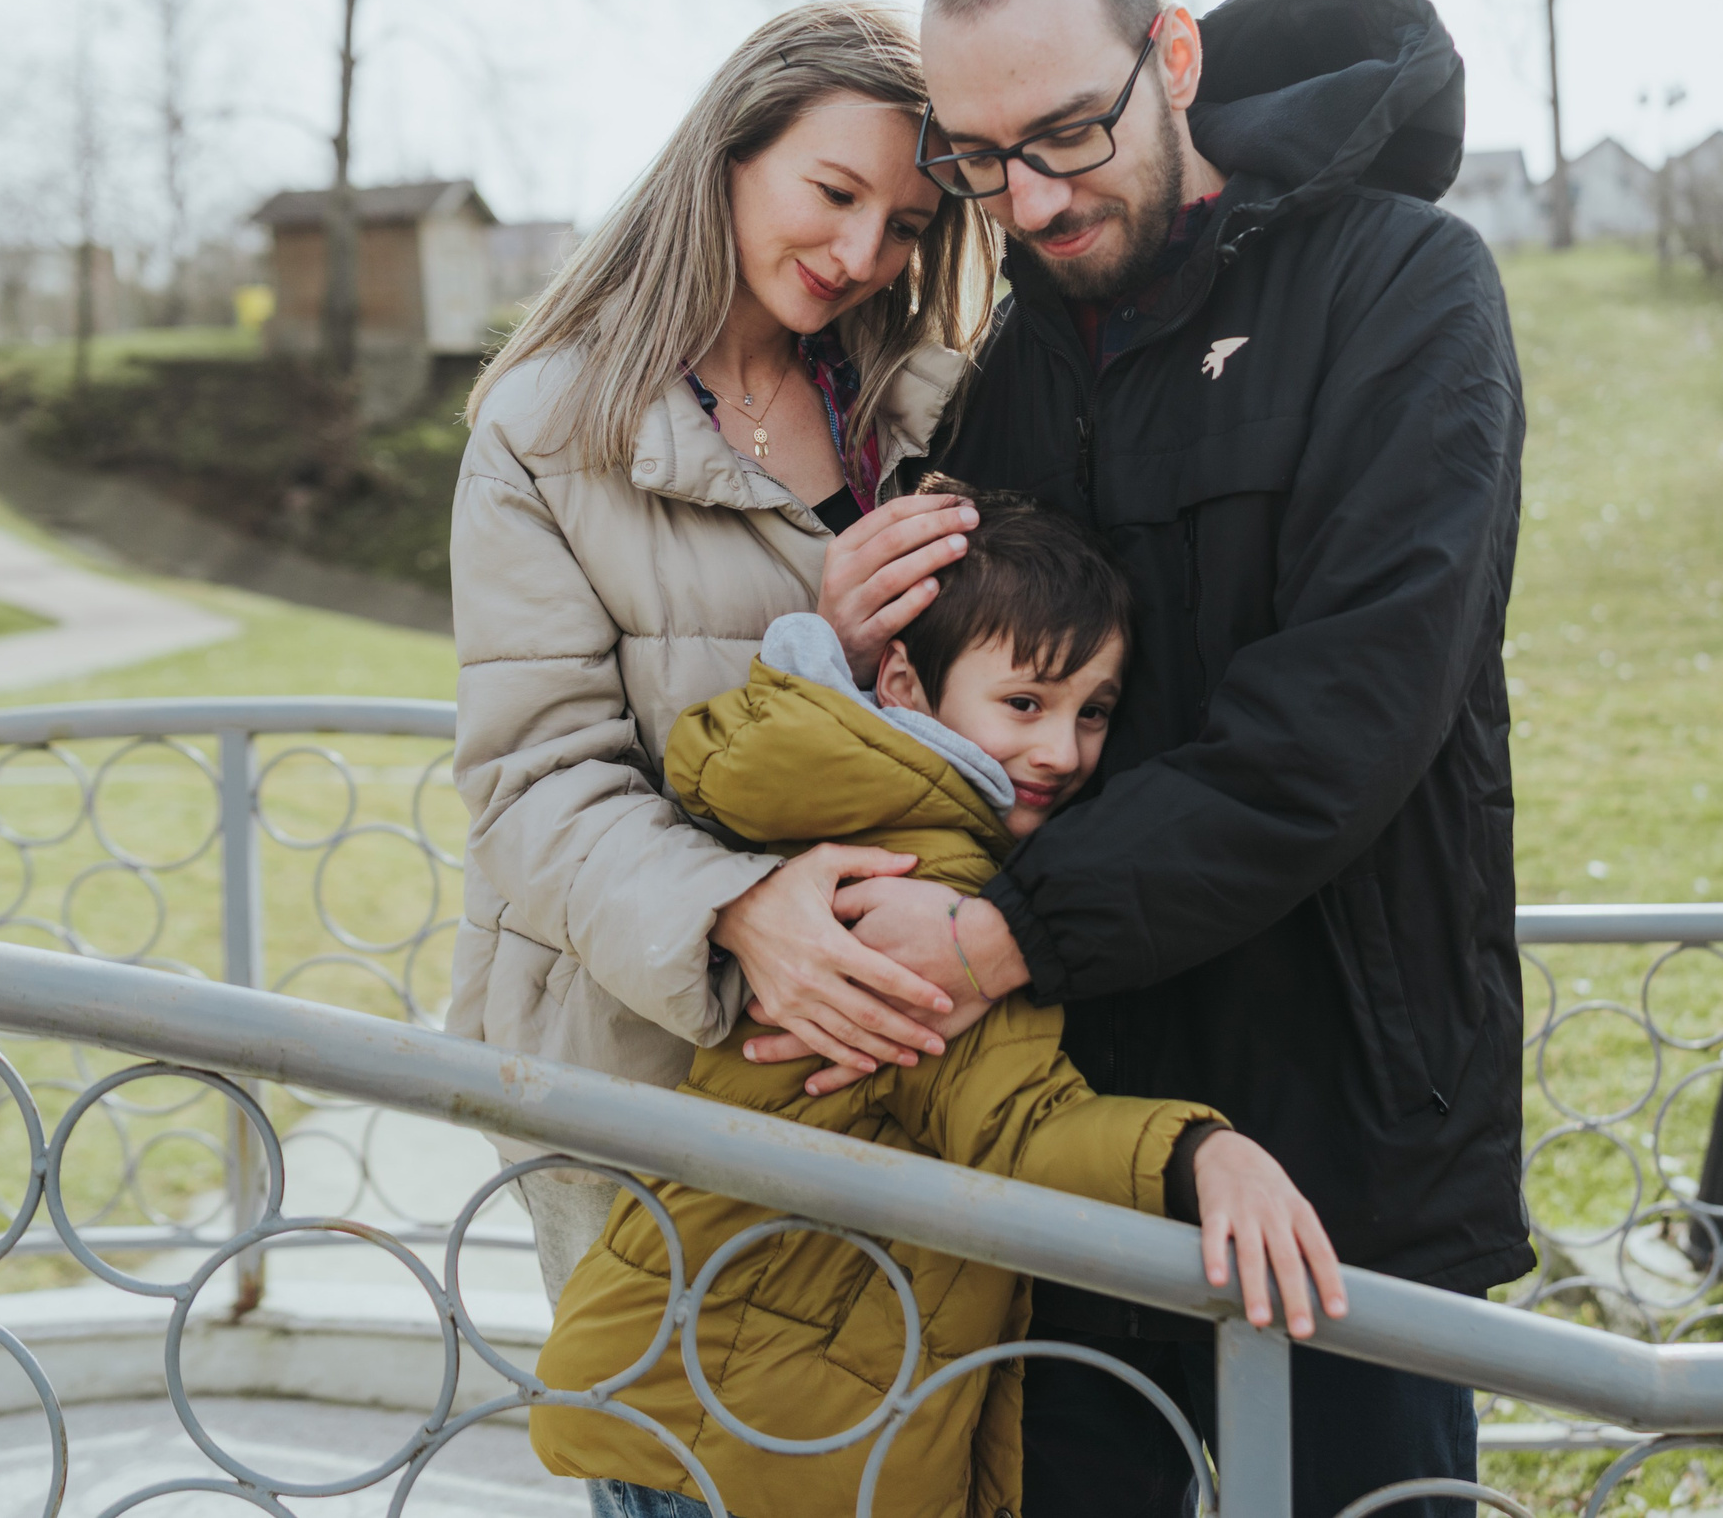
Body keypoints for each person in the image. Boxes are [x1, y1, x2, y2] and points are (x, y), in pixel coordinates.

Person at [770, 0, 1530, 1518]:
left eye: (1068, 133)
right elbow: (947, 724)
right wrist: (838, 644)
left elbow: (1347, 715)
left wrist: (999, 937)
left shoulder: (1408, 288)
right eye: (983, 162)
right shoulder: (1005, 371)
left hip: (1342, 1140)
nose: (1034, 199)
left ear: (1172, 55)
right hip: (1071, 1143)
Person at [529, 494, 1344, 1518]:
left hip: (693, 1377)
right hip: (764, 1429)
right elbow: (1015, 1125)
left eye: (1092, 712)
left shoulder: (839, 803)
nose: (1062, 750)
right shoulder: (930, 881)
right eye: (1025, 702)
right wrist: (1199, 1155)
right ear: (906, 684)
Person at [444, 0, 1003, 1299]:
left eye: (907, 225)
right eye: (834, 192)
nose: (861, 252)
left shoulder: (936, 410)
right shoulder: (546, 433)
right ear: (728, 154)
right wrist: (738, 913)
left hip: (906, 1069)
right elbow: (533, 787)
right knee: (663, 1423)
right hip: (638, 1081)